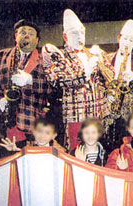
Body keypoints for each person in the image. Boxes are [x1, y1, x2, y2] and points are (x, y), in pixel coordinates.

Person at [43, 9, 114, 151]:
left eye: (82, 32)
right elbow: (58, 80)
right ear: (65, 36)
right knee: (77, 152)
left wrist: (101, 63)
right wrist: (84, 73)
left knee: (98, 152)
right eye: (74, 33)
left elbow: (110, 77)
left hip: (97, 115)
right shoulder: (59, 55)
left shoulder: (94, 52)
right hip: (75, 116)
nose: (80, 36)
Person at [0, 19, 51, 146]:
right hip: (6, 125)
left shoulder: (46, 59)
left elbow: (53, 88)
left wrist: (31, 80)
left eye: (31, 34)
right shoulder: (0, 56)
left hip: (34, 124)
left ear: (37, 40)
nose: (26, 36)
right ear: (16, 36)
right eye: (22, 32)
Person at [105, 19, 133, 151]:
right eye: (125, 39)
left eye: (131, 40)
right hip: (110, 115)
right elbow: (100, 82)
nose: (127, 43)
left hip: (132, 116)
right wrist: (106, 94)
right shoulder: (107, 58)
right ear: (119, 38)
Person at [0, 117, 65, 158]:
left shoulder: (59, 151)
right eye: (39, 131)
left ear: (54, 135)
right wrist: (13, 151)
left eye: (47, 133)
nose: (42, 136)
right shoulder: (25, 146)